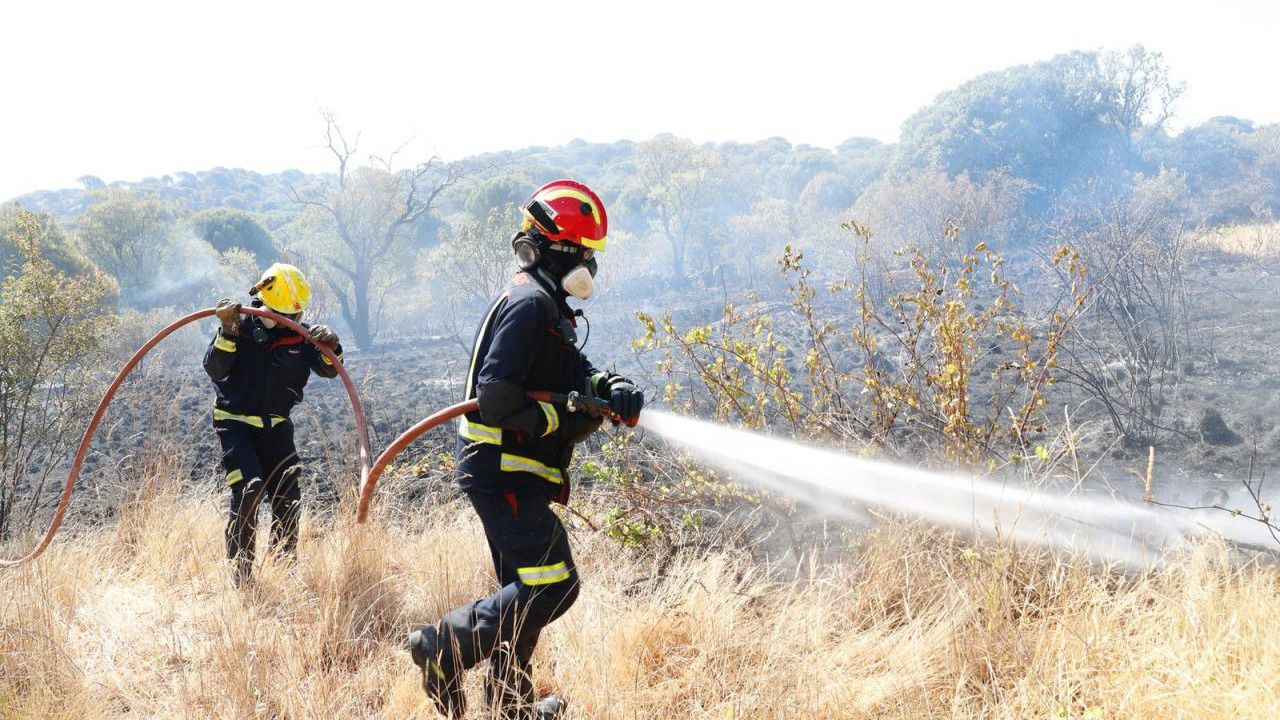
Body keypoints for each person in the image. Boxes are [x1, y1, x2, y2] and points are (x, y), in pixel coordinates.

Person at [408, 180, 644, 719]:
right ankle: (444, 645)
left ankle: (510, 708)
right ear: (558, 251)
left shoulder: (546, 305)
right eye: (584, 253)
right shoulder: (530, 305)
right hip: (504, 471)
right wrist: (557, 417)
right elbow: (495, 397)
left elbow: (571, 375)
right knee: (555, 584)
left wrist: (610, 387)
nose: (590, 265)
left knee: (525, 590)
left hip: (511, 471)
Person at [202, 262, 343, 587]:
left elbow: (330, 369)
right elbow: (215, 370)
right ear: (262, 301)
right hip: (234, 423)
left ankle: (284, 573)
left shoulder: (301, 338)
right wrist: (227, 332)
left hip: (277, 426)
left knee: (287, 496)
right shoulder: (239, 328)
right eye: (280, 314)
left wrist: (332, 346)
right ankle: (242, 579)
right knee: (248, 489)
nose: (287, 323)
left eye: (293, 317)